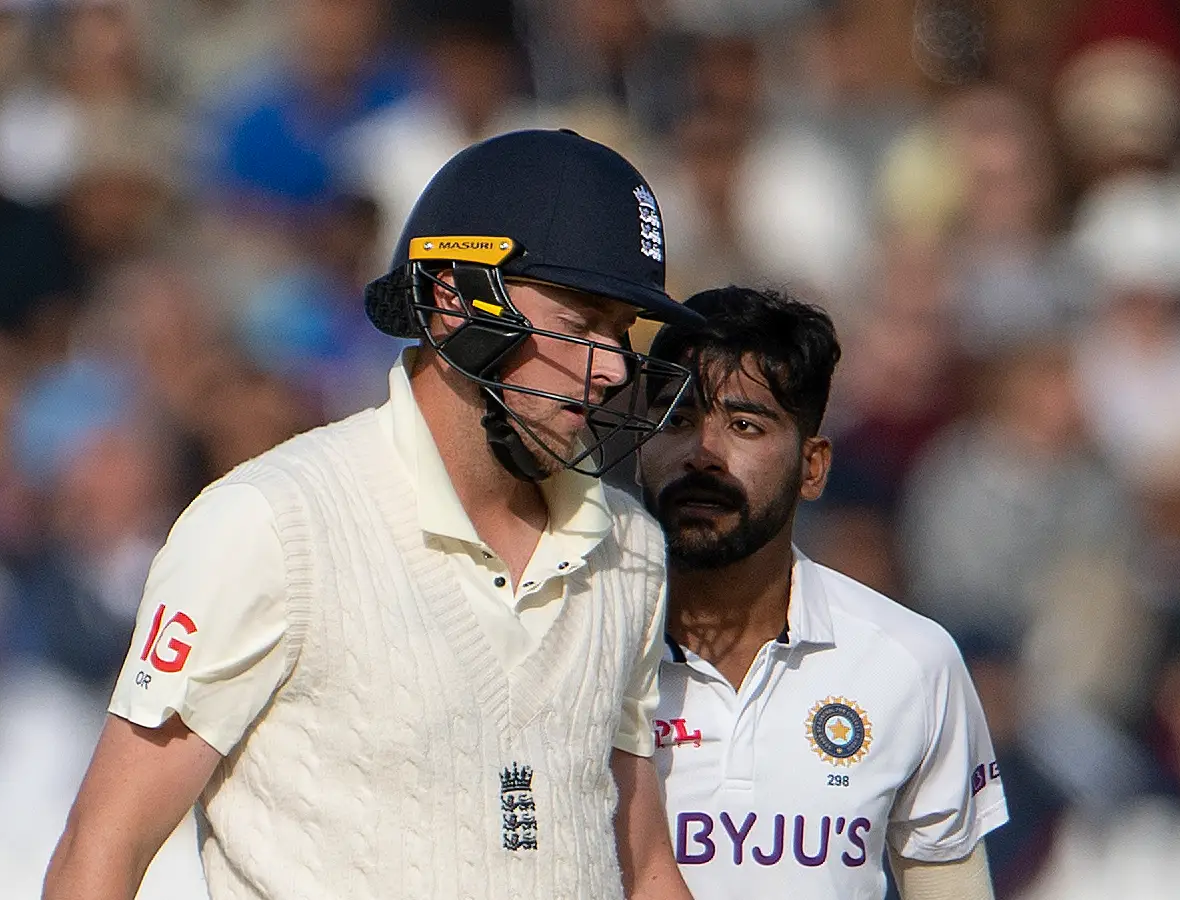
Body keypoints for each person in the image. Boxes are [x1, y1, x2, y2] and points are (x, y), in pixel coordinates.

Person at [42, 128, 703, 900]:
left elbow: (644, 860)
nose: (615, 366)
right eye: (583, 319)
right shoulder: (270, 524)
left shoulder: (631, 549)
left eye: (622, 331)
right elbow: (102, 849)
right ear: (456, 296)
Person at [636, 285, 1008, 900]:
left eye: (744, 424)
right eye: (676, 419)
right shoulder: (587, 642)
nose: (702, 453)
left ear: (813, 467)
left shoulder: (912, 661)